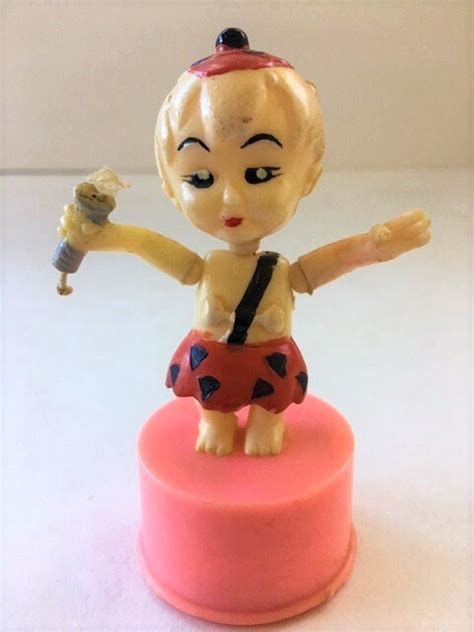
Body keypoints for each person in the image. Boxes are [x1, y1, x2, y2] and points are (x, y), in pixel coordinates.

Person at [57, 28, 430, 457]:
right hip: (212, 357)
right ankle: (215, 421)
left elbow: (322, 266)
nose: (231, 200)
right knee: (211, 407)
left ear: (309, 174)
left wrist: (373, 246)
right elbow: (143, 244)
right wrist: (107, 236)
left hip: (269, 357)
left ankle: (266, 423)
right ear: (170, 185)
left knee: (269, 407)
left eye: (259, 174)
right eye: (201, 178)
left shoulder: (281, 270)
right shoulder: (207, 266)